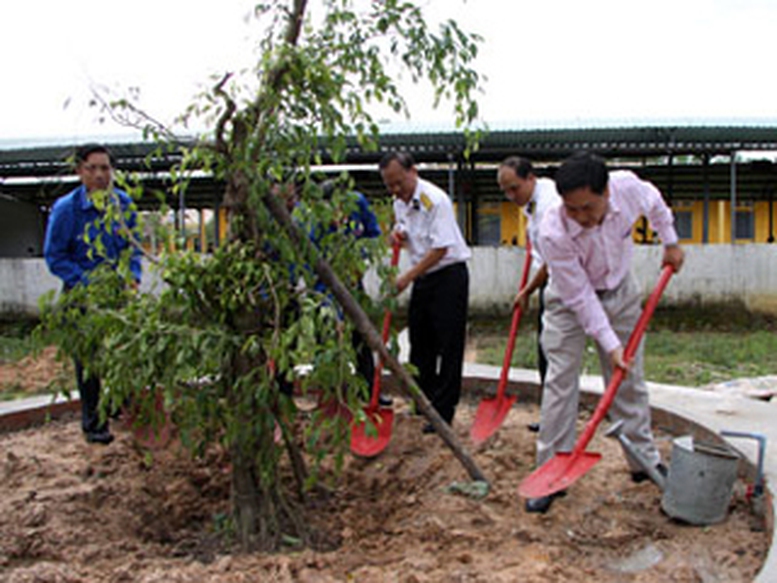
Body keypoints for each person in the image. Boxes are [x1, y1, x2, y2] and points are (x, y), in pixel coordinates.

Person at [526, 151, 684, 513]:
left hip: (621, 291)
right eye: (572, 209)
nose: (580, 217)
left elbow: (657, 205)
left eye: (588, 207)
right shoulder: (553, 229)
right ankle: (551, 470)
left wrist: (671, 242)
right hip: (569, 302)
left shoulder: (628, 187)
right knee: (560, 381)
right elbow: (579, 296)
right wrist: (610, 343)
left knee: (629, 379)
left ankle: (643, 460)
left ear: (607, 192)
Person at [44, 144, 142, 445]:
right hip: (82, 296)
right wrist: (87, 284)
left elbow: (132, 248)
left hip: (117, 294)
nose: (100, 175)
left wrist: (132, 277)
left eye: (105, 168)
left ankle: (118, 408)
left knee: (123, 353)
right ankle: (94, 424)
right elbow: (55, 256)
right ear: (80, 171)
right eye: (93, 168)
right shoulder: (66, 210)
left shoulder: (122, 204)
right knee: (88, 363)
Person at [379, 151, 470, 433]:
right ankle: (424, 401)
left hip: (448, 277)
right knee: (421, 342)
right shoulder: (399, 204)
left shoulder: (435, 200)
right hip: (423, 277)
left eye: (399, 183)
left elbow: (440, 248)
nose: (396, 190)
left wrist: (406, 278)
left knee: (449, 345)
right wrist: (398, 236)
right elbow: (406, 234)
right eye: (389, 185)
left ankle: (443, 412)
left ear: (413, 172)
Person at [497, 156, 561, 428]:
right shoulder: (532, 202)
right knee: (546, 350)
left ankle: (556, 421)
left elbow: (552, 260)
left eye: (514, 188)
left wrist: (526, 290)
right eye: (505, 191)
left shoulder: (549, 205)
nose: (511, 196)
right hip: (551, 278)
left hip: (564, 281)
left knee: (554, 352)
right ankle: (551, 417)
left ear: (530, 178)